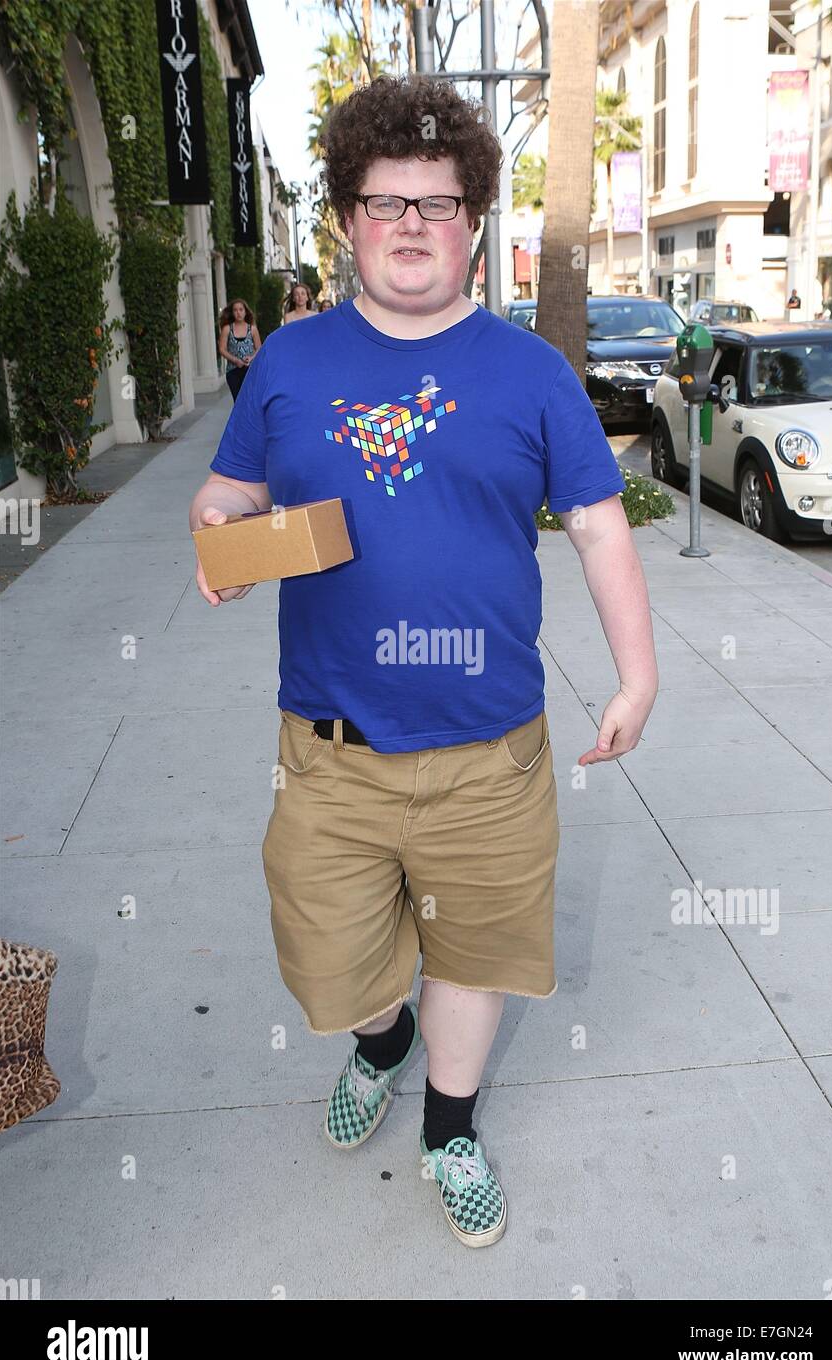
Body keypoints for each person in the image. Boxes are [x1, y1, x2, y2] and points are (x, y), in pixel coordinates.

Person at [188, 74, 659, 1249]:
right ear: (346, 216)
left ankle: (448, 1124)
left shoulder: (532, 373)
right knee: (333, 961)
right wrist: (217, 527)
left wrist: (636, 673)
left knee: (472, 952)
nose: (409, 224)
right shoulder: (290, 363)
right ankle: (377, 1039)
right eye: (385, 200)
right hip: (330, 754)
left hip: (488, 753)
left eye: (435, 203)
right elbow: (232, 484)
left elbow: (599, 524)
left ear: (470, 220)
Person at [218, 300, 260, 401]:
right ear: (232, 313)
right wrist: (235, 360)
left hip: (250, 370)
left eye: (241, 310)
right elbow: (222, 349)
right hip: (233, 371)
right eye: (235, 310)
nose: (238, 313)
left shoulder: (252, 329)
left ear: (245, 312)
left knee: (250, 400)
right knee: (238, 402)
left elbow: (259, 348)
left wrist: (251, 358)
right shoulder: (227, 329)